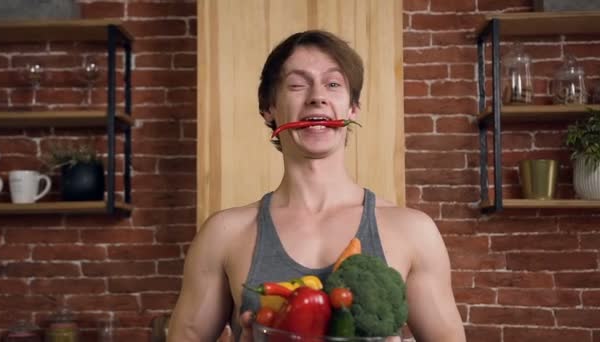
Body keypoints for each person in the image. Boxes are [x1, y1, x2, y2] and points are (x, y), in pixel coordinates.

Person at [167, 30, 466, 342]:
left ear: (352, 109)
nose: (317, 97)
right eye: (297, 84)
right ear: (269, 108)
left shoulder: (414, 231)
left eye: (333, 84)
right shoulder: (224, 234)